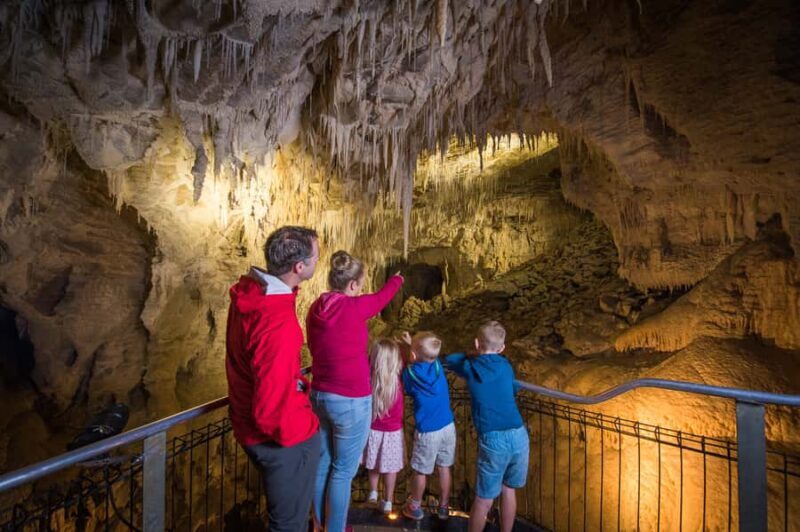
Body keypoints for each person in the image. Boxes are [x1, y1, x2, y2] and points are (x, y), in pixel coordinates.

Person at [225, 225, 321, 532]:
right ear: (299, 267)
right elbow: (272, 411)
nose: (320, 260)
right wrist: (308, 428)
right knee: (289, 525)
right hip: (283, 441)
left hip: (246, 425)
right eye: (317, 255)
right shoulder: (276, 323)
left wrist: (296, 383)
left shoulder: (253, 294)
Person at [306, 251, 404, 532]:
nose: (361, 289)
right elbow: (383, 297)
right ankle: (334, 529)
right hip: (350, 399)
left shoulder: (315, 309)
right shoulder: (353, 307)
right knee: (342, 471)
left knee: (323, 463)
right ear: (352, 285)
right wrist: (397, 279)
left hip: (320, 395)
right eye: (360, 284)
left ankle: (320, 524)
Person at [445, 321, 529, 532]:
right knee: (509, 490)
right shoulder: (507, 367)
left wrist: (472, 354)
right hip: (519, 434)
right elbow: (512, 391)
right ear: (502, 348)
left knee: (484, 499)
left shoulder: (471, 368)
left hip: (494, 439)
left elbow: (451, 359)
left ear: (476, 343)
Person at [400, 331, 455, 521]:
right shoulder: (438, 366)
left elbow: (406, 383)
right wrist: (412, 346)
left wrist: (408, 353)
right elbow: (427, 356)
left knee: (421, 470)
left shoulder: (411, 373)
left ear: (413, 356)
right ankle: (444, 506)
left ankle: (415, 505)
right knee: (444, 467)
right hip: (448, 426)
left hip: (428, 431)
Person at [362, 338, 406, 514]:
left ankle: (373, 493)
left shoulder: (370, 380)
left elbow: (365, 362)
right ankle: (388, 501)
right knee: (390, 467)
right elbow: (407, 360)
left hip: (373, 429)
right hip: (393, 432)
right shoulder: (397, 380)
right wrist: (405, 346)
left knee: (373, 463)